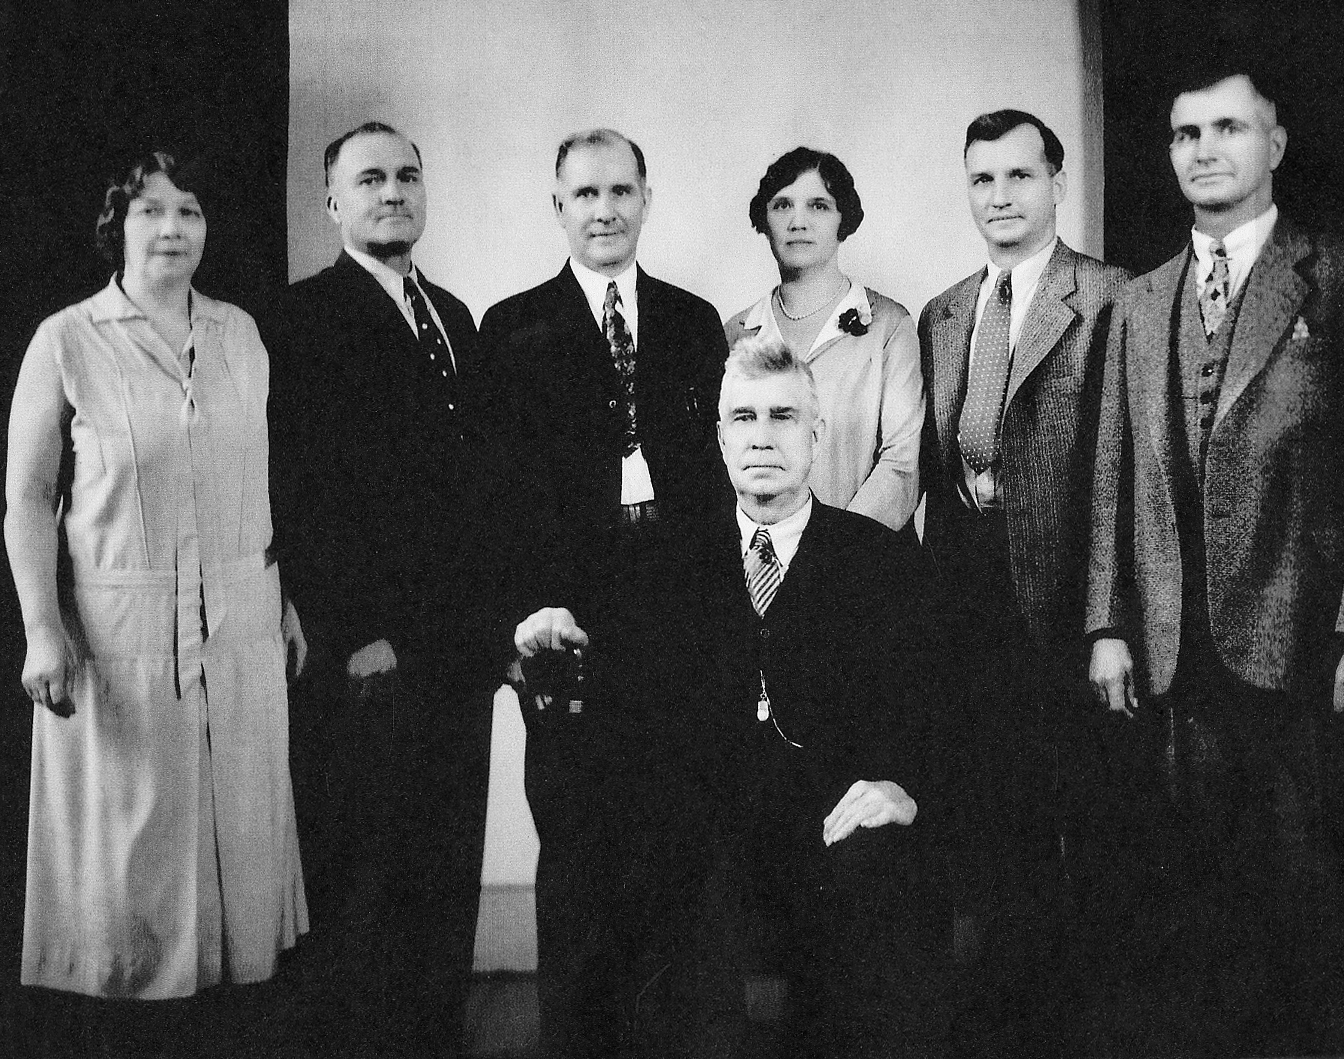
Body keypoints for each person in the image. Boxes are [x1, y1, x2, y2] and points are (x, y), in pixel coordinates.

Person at [514, 336, 946, 1058]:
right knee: (673, 892)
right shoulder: (661, 564)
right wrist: (557, 630)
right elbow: (624, 711)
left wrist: (901, 786)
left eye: (782, 417)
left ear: (816, 434)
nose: (761, 437)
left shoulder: (877, 559)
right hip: (705, 827)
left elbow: (927, 711)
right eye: (742, 418)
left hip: (824, 824)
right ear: (718, 438)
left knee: (881, 876)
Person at [1088, 64, 1344, 1054]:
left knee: (1311, 903)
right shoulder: (1139, 300)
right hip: (1177, 653)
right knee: (1197, 906)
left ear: (1276, 143)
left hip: (1305, 649)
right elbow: (1113, 475)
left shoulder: (1342, 273)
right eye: (1184, 134)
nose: (1204, 150)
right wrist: (1104, 626)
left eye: (1227, 127)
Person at [4, 153, 308, 1009]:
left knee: (239, 854)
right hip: (122, 629)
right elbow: (27, 497)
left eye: (190, 209)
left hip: (243, 620)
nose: (172, 227)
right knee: (129, 864)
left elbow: (255, 478)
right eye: (150, 210)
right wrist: (41, 626)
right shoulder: (67, 338)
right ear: (117, 226)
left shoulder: (240, 332)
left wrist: (277, 593)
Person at [479, 127, 729, 1057]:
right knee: (579, 850)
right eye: (584, 194)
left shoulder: (693, 320)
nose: (604, 210)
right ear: (557, 207)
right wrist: (526, 617)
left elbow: (716, 486)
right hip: (568, 621)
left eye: (621, 191)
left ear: (646, 198)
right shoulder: (512, 326)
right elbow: (497, 497)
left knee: (675, 842)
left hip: (677, 617)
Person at [268, 121, 510, 1050]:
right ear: (332, 201)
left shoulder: (453, 314)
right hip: (366, 652)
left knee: (446, 866)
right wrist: (348, 629)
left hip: (456, 649)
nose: (393, 191)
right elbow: (299, 491)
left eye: (408, 174)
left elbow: (476, 490)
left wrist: (485, 635)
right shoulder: (295, 319)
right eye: (370, 178)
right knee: (367, 876)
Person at [917, 109, 1131, 1054]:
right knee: (986, 804)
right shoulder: (947, 309)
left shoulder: (1113, 295)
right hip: (964, 590)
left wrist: (1105, 618)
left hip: (1067, 593)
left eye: (1017, 177)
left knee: (1080, 811)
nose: (999, 197)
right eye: (980, 180)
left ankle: (1079, 1021)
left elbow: (1129, 472)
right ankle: (1008, 1013)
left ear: (1054, 182)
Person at [725, 147, 924, 530]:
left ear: (842, 219)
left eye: (818, 206)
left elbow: (902, 465)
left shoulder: (888, 327)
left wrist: (831, 552)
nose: (798, 221)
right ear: (763, 220)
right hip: (765, 560)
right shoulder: (737, 333)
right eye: (782, 205)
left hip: (863, 560)